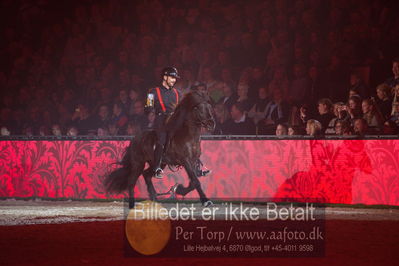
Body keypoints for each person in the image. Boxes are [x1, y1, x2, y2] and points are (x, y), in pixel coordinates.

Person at [146, 67, 209, 179]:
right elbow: (148, 107)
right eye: (172, 77)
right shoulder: (153, 92)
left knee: (188, 137)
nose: (174, 80)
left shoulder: (177, 93)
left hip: (174, 120)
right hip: (161, 119)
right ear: (165, 77)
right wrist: (150, 108)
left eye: (175, 78)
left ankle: (197, 167)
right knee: (162, 138)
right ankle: (156, 167)